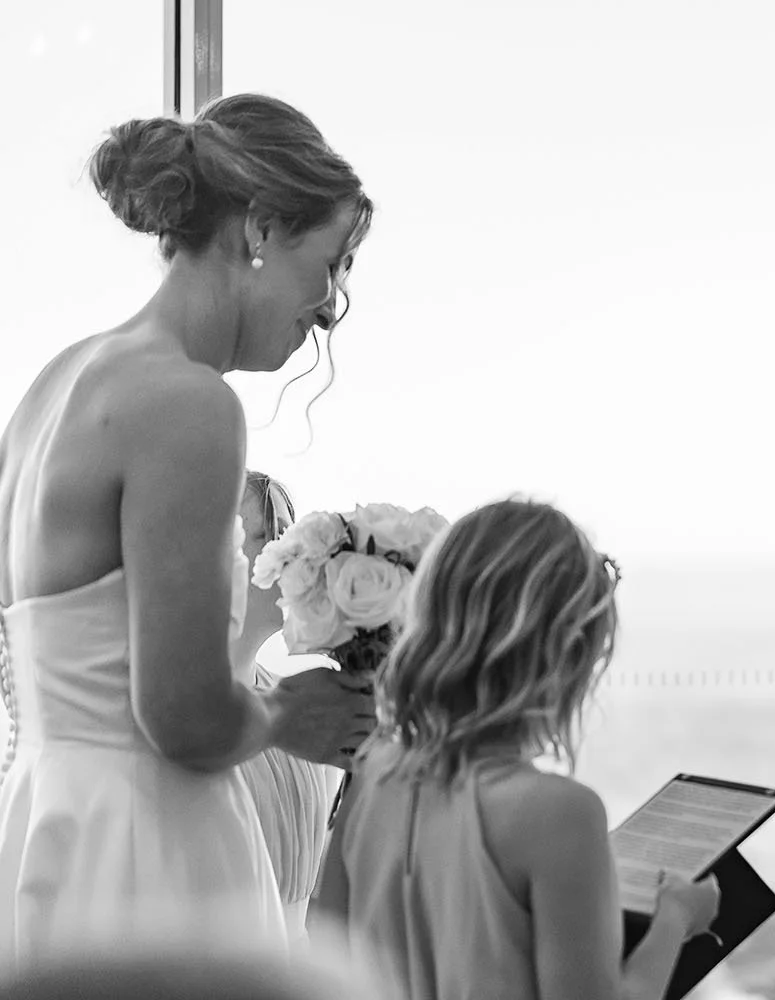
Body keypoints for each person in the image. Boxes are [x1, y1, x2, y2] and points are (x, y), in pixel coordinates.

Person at [0, 93, 376, 966]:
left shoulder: (58, 383)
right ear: (261, 228)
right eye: (331, 263)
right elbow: (183, 717)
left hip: (50, 821)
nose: (330, 306)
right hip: (152, 848)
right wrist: (293, 713)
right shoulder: (190, 404)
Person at [312, 499, 721, 1000]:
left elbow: (323, 944)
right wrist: (676, 918)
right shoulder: (561, 813)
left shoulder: (374, 770)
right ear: (568, 651)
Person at [235, 471, 356, 944]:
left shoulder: (303, 708)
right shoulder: (177, 722)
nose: (295, 558)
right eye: (272, 536)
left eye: (294, 537)